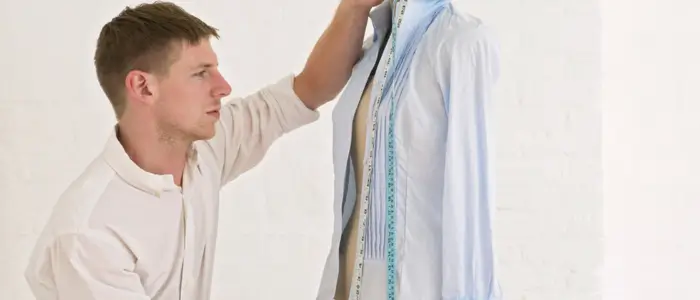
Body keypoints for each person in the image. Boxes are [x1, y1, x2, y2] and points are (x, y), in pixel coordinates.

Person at [23, 1, 382, 299]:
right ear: (143, 88)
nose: (223, 87)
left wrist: (355, 7)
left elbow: (308, 90)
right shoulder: (90, 234)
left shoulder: (206, 148)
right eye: (200, 73)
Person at [315, 0, 501, 299]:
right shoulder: (372, 49)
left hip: (417, 285)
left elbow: (471, 201)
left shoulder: (463, 42)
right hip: (347, 282)